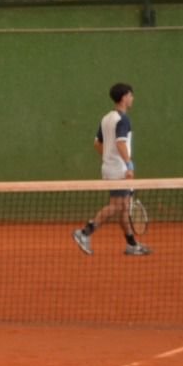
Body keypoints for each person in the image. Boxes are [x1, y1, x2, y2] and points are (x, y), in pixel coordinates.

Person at [72, 83, 150, 256]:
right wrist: (128, 165)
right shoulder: (123, 119)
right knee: (116, 206)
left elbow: (97, 144)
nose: (132, 98)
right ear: (124, 97)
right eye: (130, 95)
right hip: (119, 170)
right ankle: (84, 232)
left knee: (124, 207)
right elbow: (121, 143)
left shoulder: (106, 118)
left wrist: (109, 157)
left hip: (110, 167)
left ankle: (131, 244)